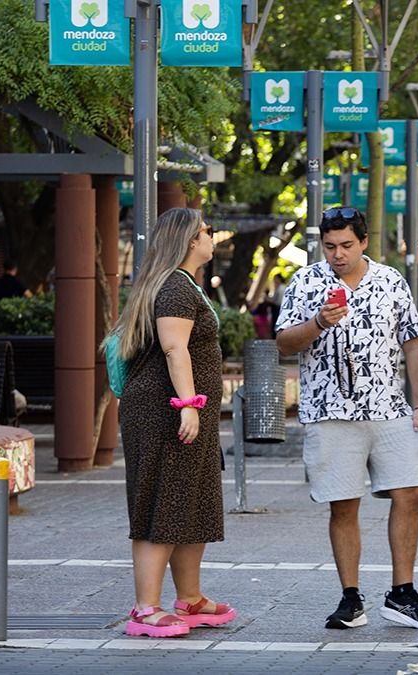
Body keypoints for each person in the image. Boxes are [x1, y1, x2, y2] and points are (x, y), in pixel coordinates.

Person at [275, 206, 418, 631]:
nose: (338, 254)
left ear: (363, 242)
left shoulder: (390, 281)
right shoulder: (306, 282)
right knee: (343, 504)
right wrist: (317, 323)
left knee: (409, 494)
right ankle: (350, 597)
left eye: (346, 245)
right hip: (329, 411)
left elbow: (413, 345)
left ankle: (402, 593)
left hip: (389, 408)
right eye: (330, 247)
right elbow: (284, 343)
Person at [107, 207, 234, 638]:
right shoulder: (176, 289)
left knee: (191, 503)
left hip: (179, 413)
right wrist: (188, 404)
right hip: (165, 414)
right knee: (160, 503)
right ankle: (145, 609)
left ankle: (190, 598)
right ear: (188, 240)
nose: (210, 237)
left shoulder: (181, 284)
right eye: (206, 231)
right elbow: (174, 349)